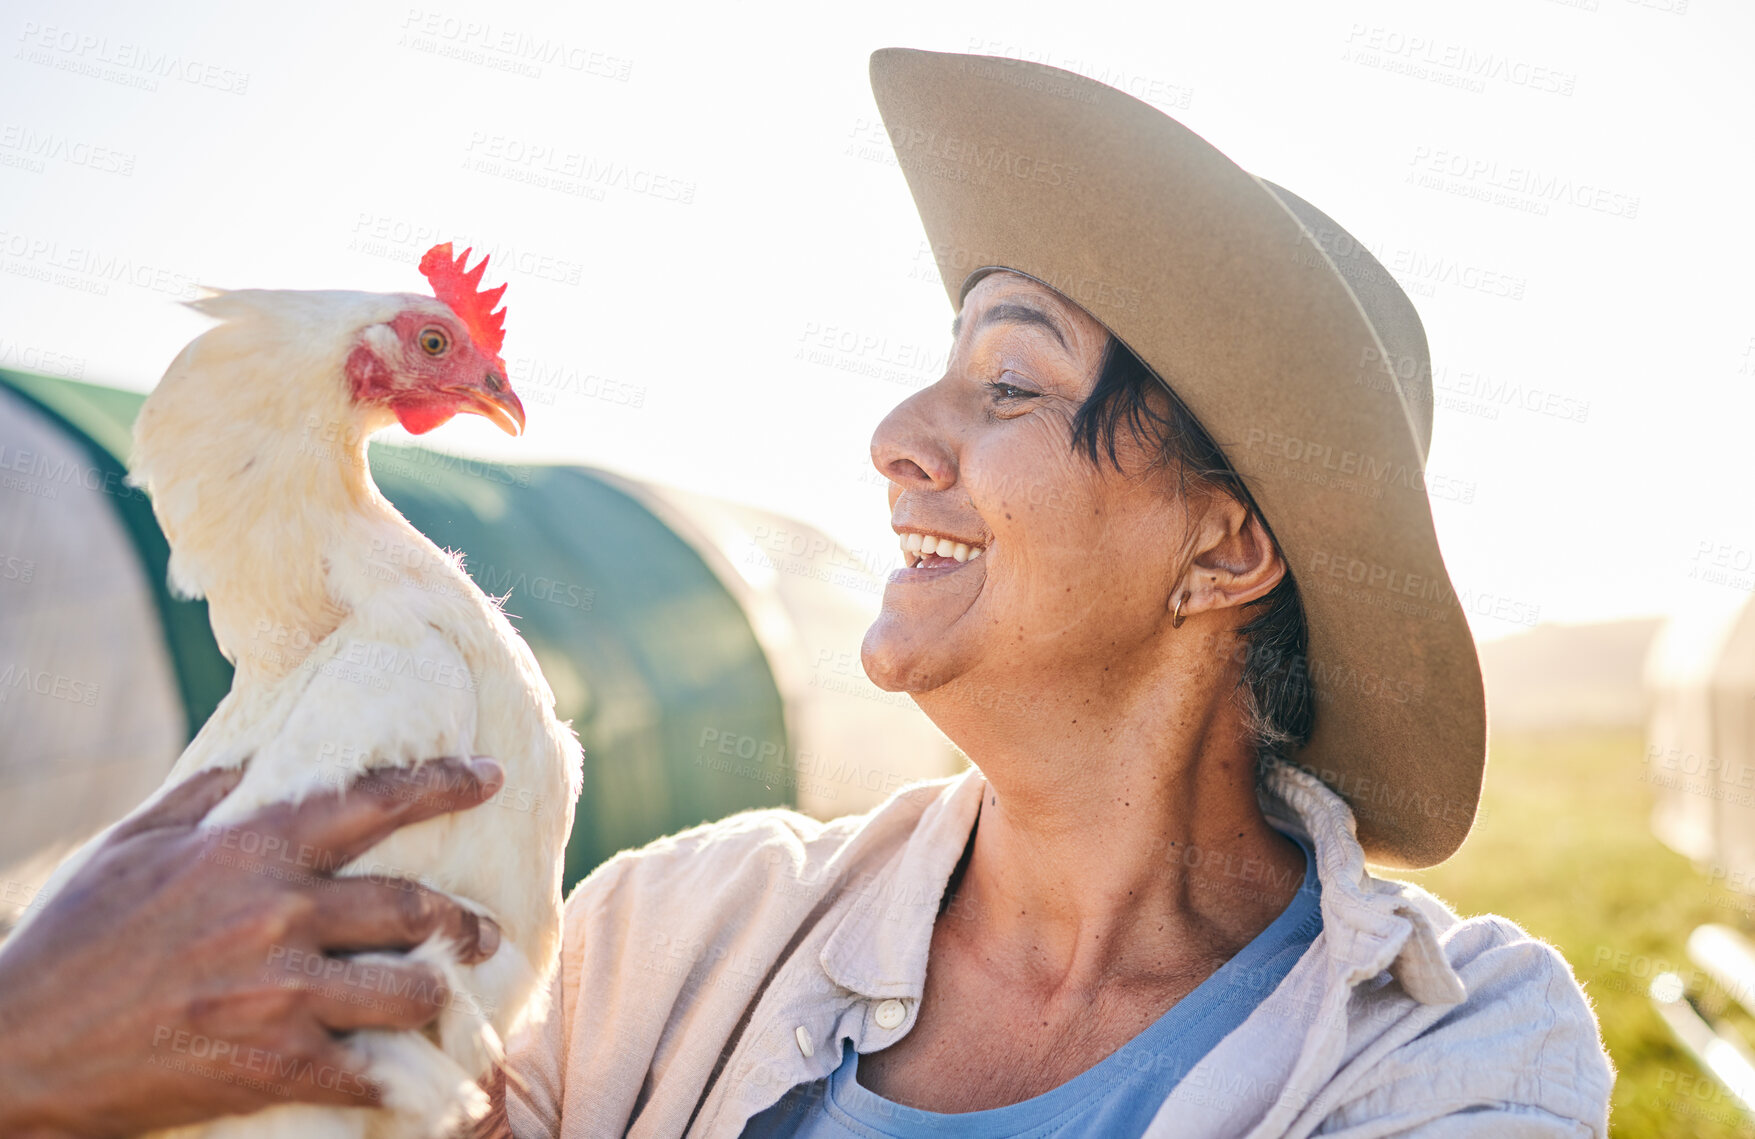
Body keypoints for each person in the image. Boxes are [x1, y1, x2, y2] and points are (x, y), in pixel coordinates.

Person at [0, 48, 1613, 1138]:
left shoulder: (1458, 1055)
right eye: (934, 374)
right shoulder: (675, 927)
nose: (898, 439)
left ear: (1226, 552)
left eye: (1007, 383)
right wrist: (56, 1038)